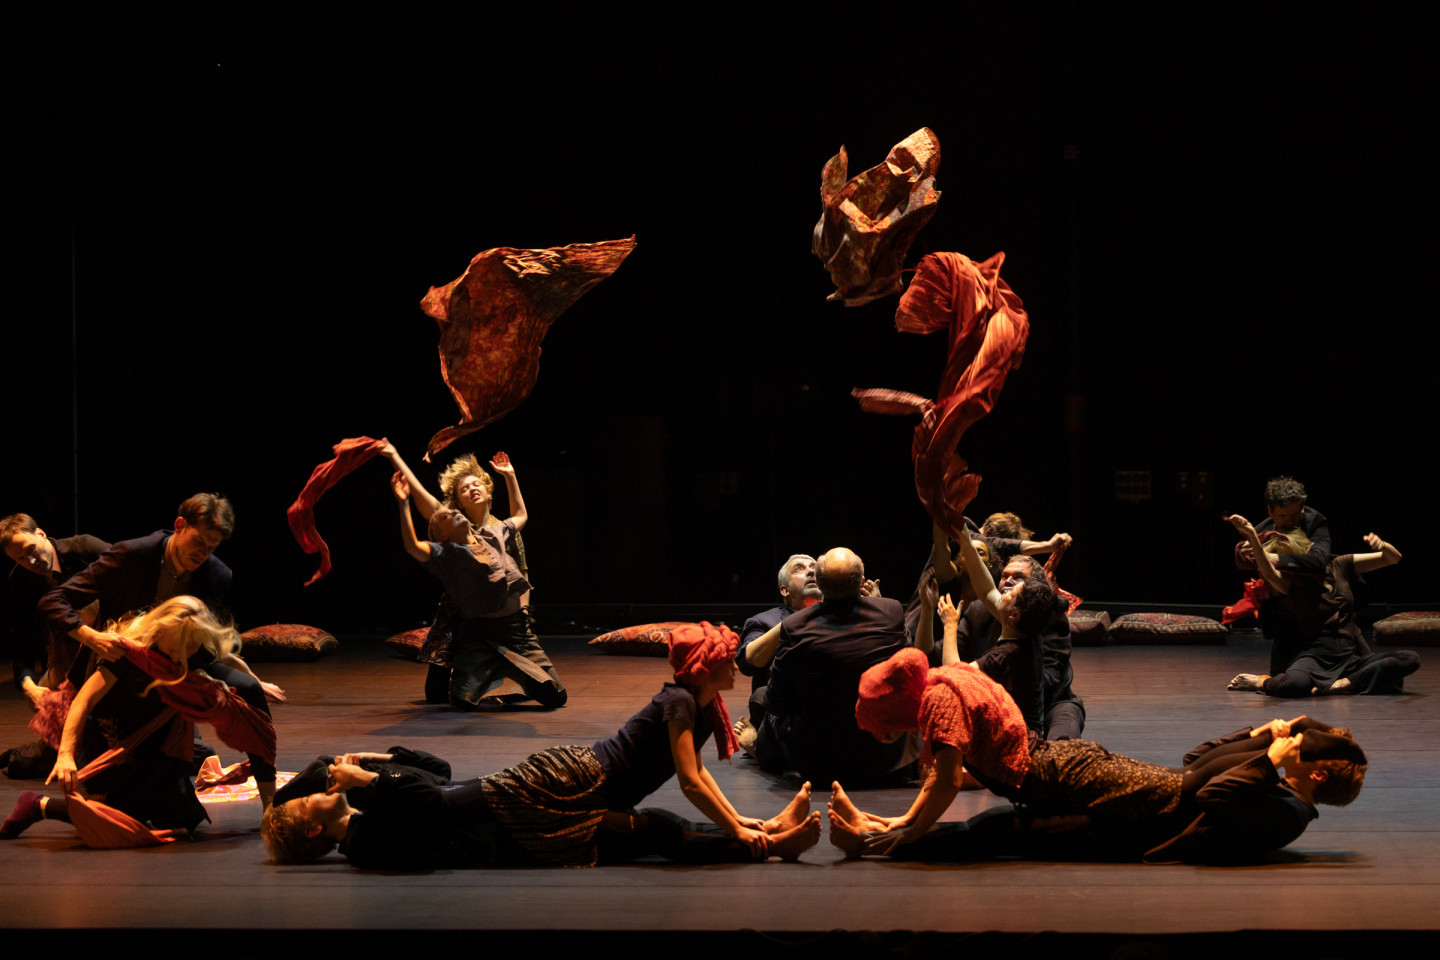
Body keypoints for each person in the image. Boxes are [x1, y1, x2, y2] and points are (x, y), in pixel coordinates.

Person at [260, 622, 822, 868]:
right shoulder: (365, 843)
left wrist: (377, 761)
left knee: (649, 828)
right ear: (313, 831)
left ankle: (764, 834)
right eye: (310, 803)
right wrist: (370, 780)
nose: (735, 666)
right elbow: (431, 802)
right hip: (551, 800)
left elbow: (437, 771)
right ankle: (762, 843)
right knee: (648, 829)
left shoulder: (694, 703)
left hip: (541, 788)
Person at [834, 649, 1367, 864]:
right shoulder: (1277, 781)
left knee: (1001, 831)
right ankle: (885, 832)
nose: (1290, 747)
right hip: (1133, 783)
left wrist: (1268, 761)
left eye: (1300, 751)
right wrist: (1259, 735)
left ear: (1318, 775)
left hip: (1139, 804)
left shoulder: (1289, 812)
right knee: (1000, 830)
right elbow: (1197, 758)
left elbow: (1210, 794)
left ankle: (884, 841)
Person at [36, 493, 283, 808]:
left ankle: (270, 805)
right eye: (199, 541)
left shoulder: (216, 575)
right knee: (116, 794)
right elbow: (53, 601)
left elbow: (208, 642)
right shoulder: (131, 555)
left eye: (212, 547)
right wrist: (91, 637)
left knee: (248, 690)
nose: (203, 553)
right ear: (180, 525)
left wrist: (248, 677)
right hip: (124, 660)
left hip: (179, 663)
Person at [2, 596, 274, 839]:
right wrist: (65, 755)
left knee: (185, 820)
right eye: (175, 648)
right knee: (119, 817)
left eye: (190, 647)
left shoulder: (191, 642)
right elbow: (83, 701)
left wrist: (256, 682)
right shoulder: (127, 652)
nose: (181, 654)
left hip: (156, 738)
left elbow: (224, 659)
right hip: (112, 737)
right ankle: (38, 805)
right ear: (159, 630)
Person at [390, 467, 565, 709]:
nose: (452, 513)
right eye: (447, 516)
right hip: (477, 630)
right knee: (457, 699)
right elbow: (414, 545)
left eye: (476, 485)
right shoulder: (450, 551)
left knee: (556, 697)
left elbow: (521, 517)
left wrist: (510, 476)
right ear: (444, 536)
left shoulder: (494, 532)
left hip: (514, 631)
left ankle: (513, 683)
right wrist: (403, 503)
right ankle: (475, 684)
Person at [748, 548, 919, 786]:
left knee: (762, 699)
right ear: (862, 582)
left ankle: (757, 747)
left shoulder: (795, 625)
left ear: (818, 584)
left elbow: (777, 702)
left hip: (821, 765)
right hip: (885, 756)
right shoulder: (891, 611)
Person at [1226, 516, 1419, 697]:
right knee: (1292, 684)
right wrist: (1252, 536)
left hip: (1348, 656)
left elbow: (1392, 558)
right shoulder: (1288, 581)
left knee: (1409, 658)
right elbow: (1268, 572)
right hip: (1315, 655)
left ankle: (1344, 684)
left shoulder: (1338, 565)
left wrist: (1382, 545)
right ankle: (1262, 682)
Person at [2, 513, 111, 705]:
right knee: (42, 704)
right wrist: (27, 684)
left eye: (30, 550)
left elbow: (131, 571)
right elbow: (23, 634)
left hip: (110, 639)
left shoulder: (84, 547)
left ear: (41, 534)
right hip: (65, 654)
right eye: (20, 559)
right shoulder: (20, 579)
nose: (31, 562)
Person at [1233, 476, 1333, 674]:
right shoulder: (1265, 528)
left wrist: (1275, 558)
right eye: (1283, 516)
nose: (1289, 522)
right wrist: (1250, 552)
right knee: (1279, 673)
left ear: (1302, 507)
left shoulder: (1315, 521)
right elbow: (1242, 559)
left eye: (1294, 515)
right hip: (1285, 610)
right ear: (1270, 511)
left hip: (1317, 604)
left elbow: (1319, 560)